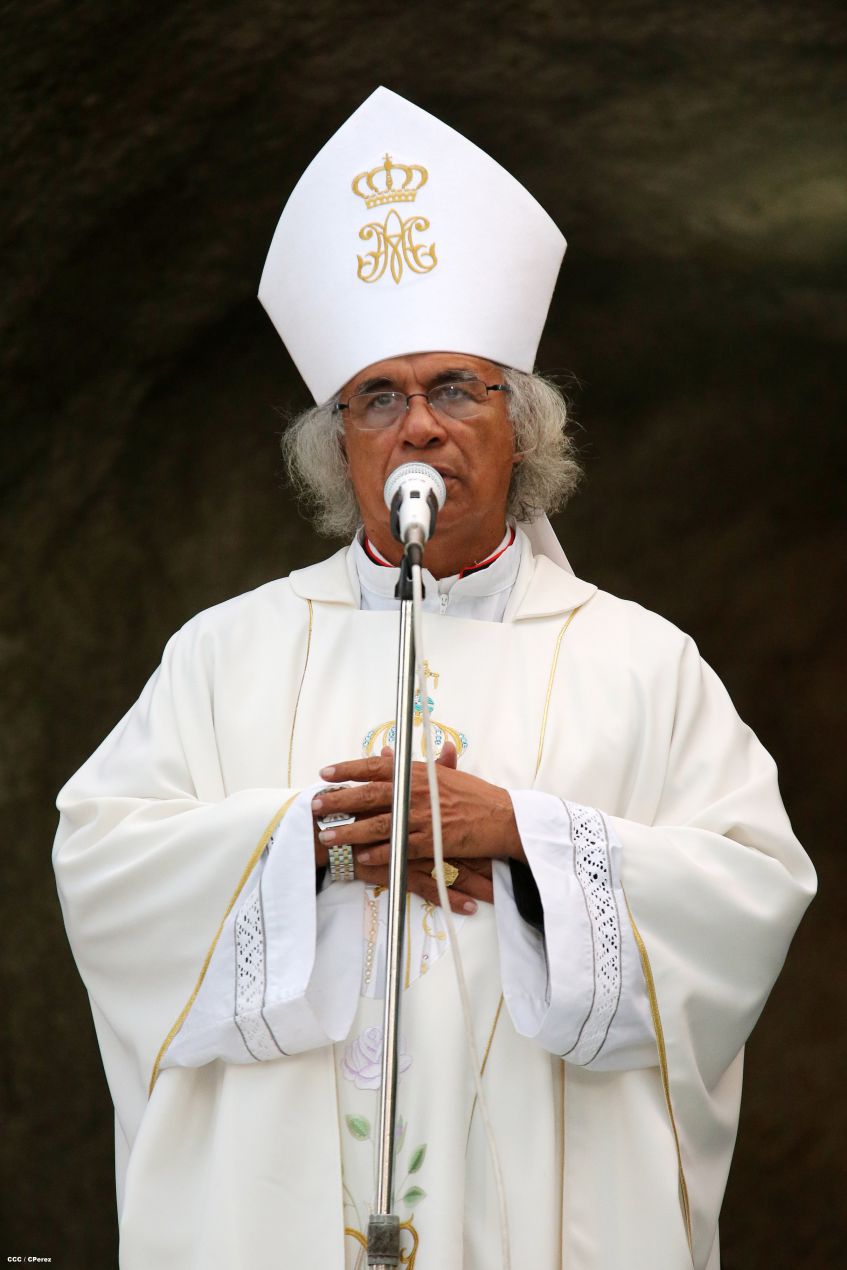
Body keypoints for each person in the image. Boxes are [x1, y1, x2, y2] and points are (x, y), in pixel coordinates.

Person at [53, 88, 815, 1270]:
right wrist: (302, 838)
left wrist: (525, 838)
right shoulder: (224, 652)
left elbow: (750, 895)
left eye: (456, 387)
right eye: (378, 398)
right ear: (338, 443)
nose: (418, 427)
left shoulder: (640, 662)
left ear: (524, 426)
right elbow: (103, 869)